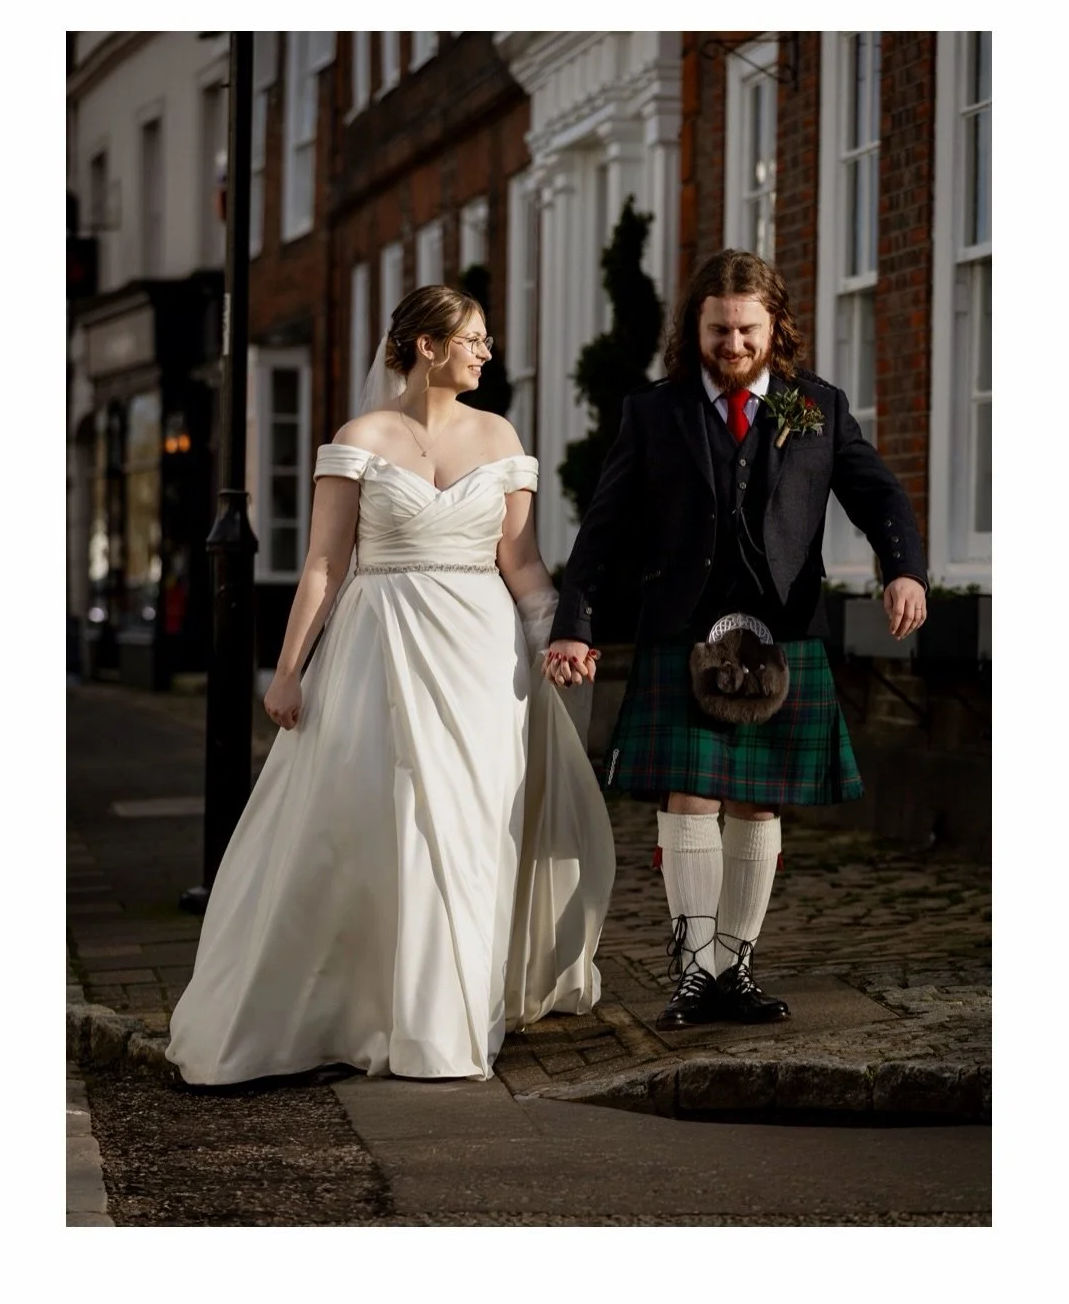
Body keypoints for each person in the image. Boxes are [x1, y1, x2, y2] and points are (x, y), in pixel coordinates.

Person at [166, 285, 615, 1085]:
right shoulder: (361, 437)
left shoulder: (500, 434)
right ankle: (375, 1007)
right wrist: (289, 670)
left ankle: (449, 1017)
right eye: (473, 338)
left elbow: (522, 563)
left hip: (483, 657)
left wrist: (561, 637)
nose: (486, 352)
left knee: (474, 824)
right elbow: (325, 565)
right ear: (426, 347)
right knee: (385, 818)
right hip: (379, 647)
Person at [544, 249, 927, 1030]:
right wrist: (575, 623)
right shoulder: (655, 412)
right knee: (691, 793)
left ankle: (734, 971)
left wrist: (904, 570)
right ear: (696, 326)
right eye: (718, 329)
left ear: (775, 325)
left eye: (748, 329)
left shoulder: (816, 406)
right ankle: (692, 972)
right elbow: (606, 525)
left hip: (783, 632)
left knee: (759, 802)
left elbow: (877, 491)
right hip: (683, 627)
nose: (733, 344)